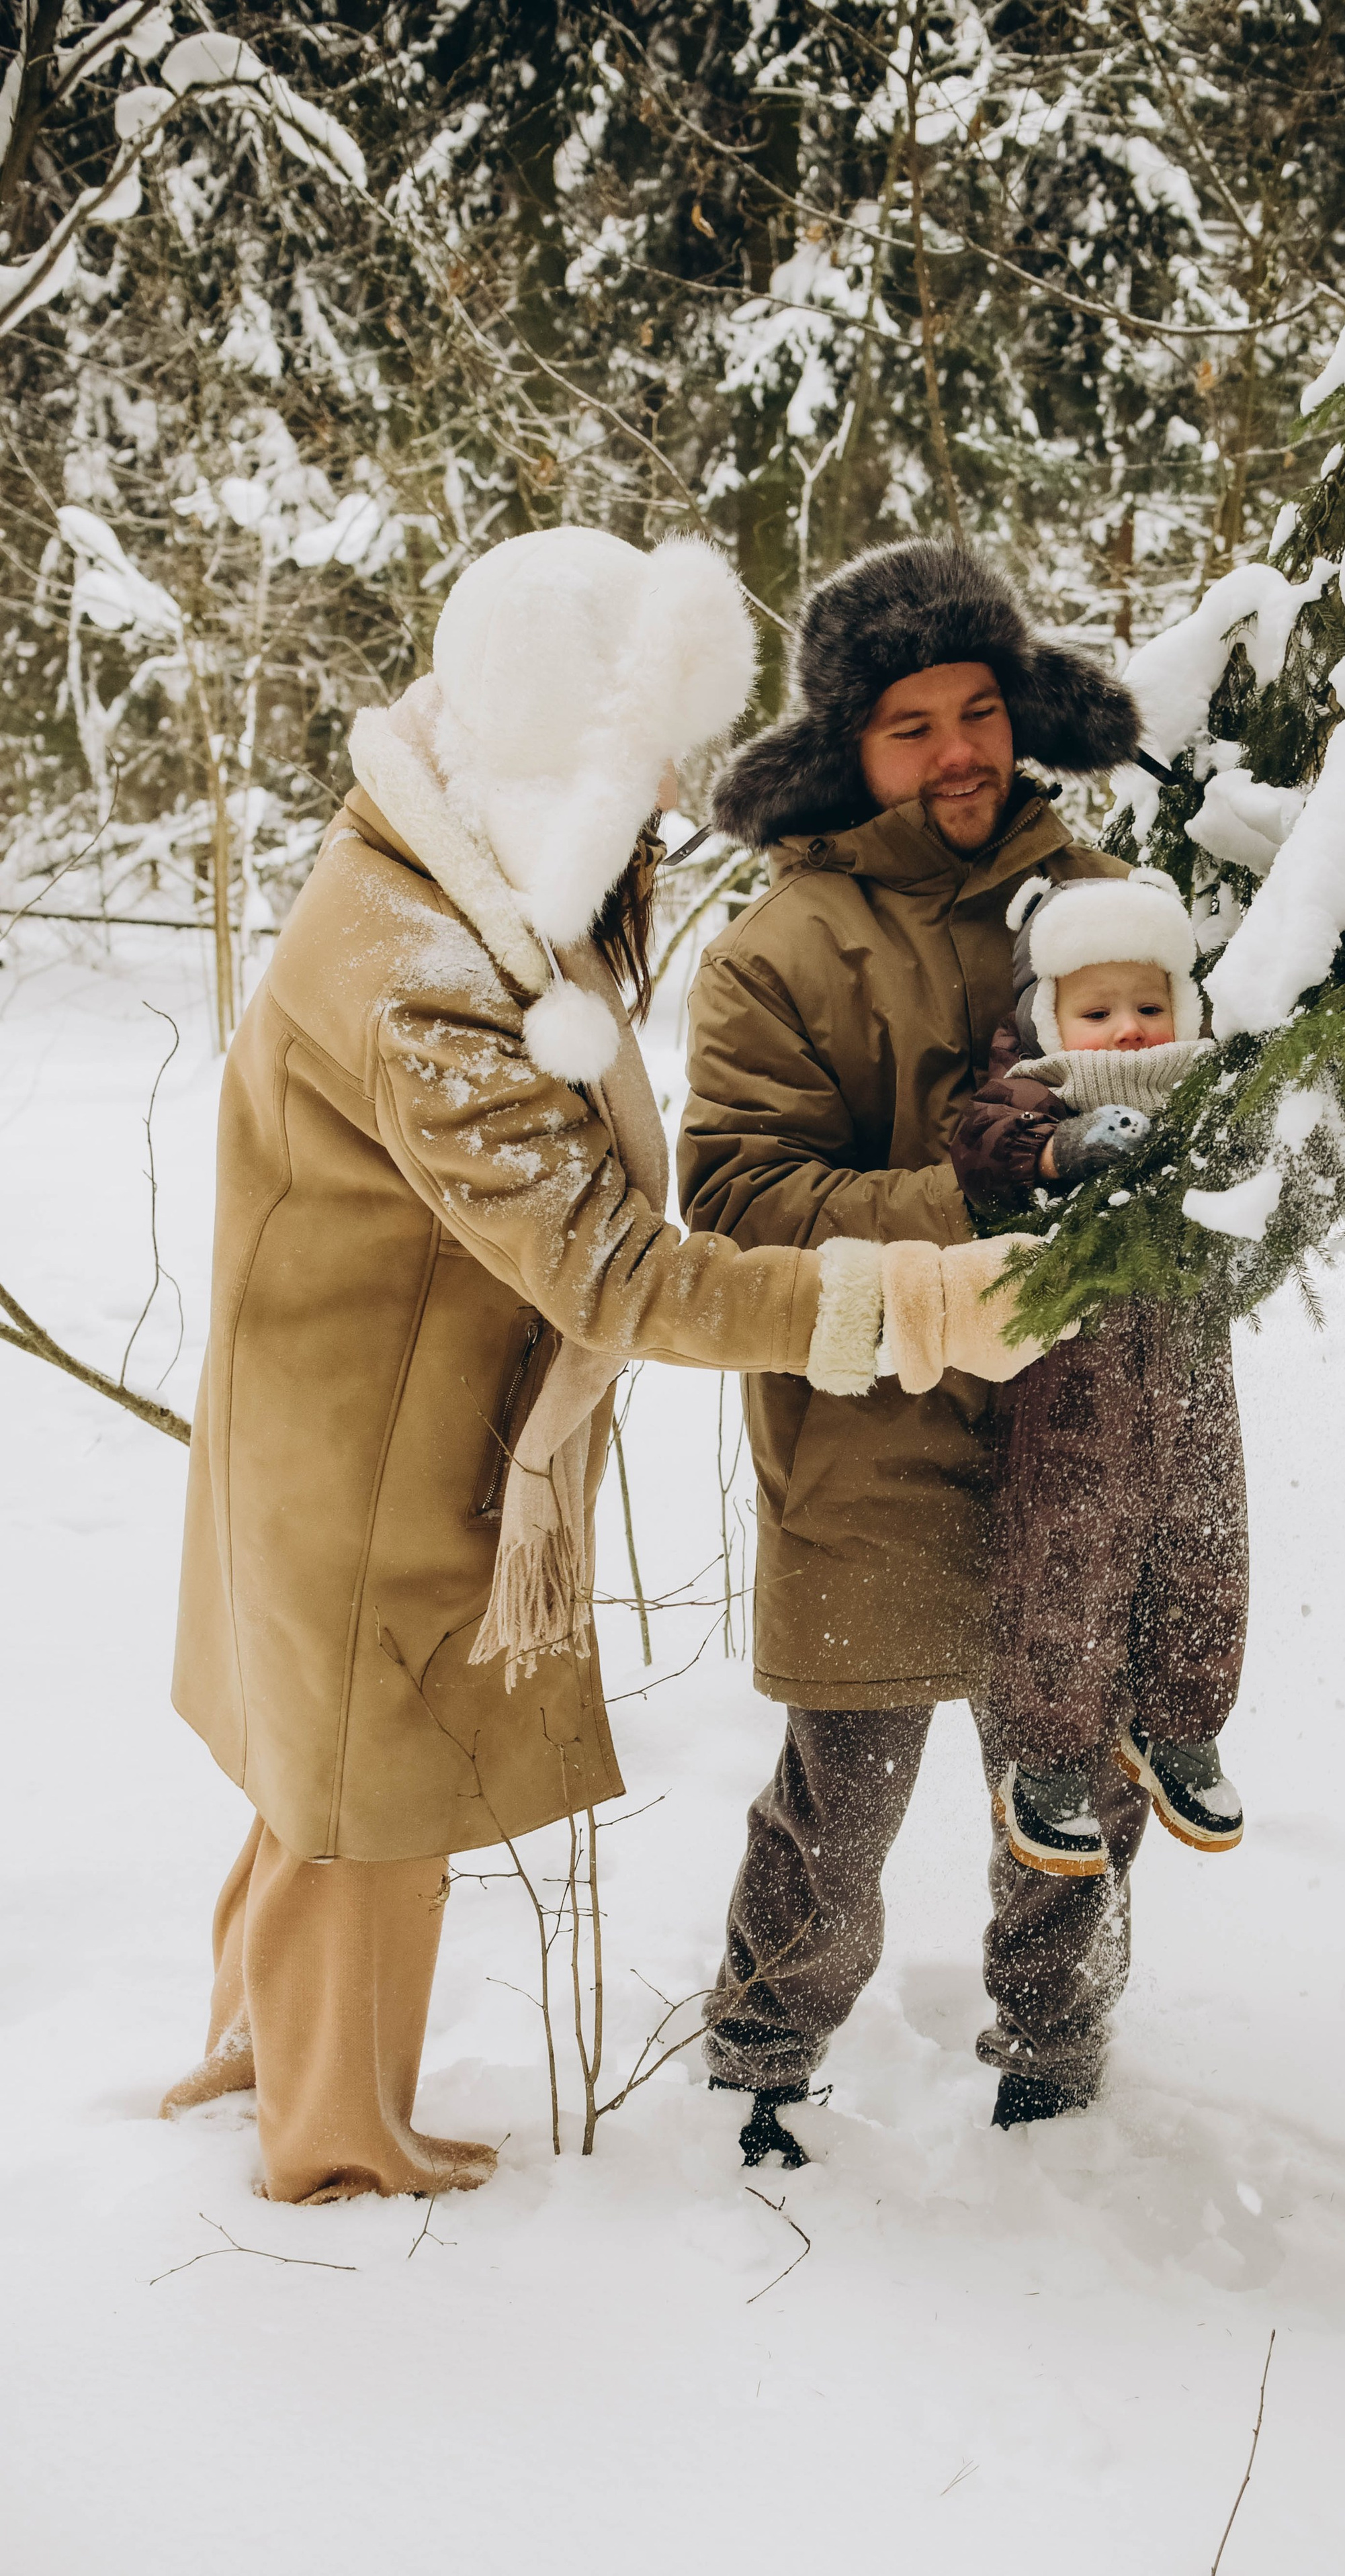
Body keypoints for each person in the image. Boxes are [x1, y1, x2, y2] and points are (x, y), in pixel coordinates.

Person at [158, 527, 1045, 2205]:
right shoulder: (421, 970)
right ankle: (333, 2146)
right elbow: (617, 1268)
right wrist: (912, 1305)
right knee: (363, 1799)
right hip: (368, 1427)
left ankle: (262, 2059)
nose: (650, 811)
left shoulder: (445, 868)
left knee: (320, 1767)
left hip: (360, 1397)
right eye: (627, 773)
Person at [679, 537, 1168, 2155]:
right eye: (911, 724)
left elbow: (1178, 1091)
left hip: (1074, 1418)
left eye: (979, 708)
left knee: (1072, 1769)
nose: (959, 750)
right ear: (848, 748)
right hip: (867, 1422)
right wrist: (978, 1186)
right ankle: (760, 2057)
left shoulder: (1095, 902)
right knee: (849, 1776)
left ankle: (1054, 2059)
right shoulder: (780, 948)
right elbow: (740, 1199)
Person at [949, 867, 1249, 1885]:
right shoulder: (1038, 1088)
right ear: (1050, 1014)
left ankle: (1183, 1722)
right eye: (1098, 1008)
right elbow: (978, 1143)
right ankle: (1050, 1752)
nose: (1128, 1028)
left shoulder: (1211, 1089)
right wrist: (1061, 1148)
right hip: (1073, 1385)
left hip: (1192, 1375)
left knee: (1206, 1541)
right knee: (1069, 1559)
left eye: (1150, 1003)